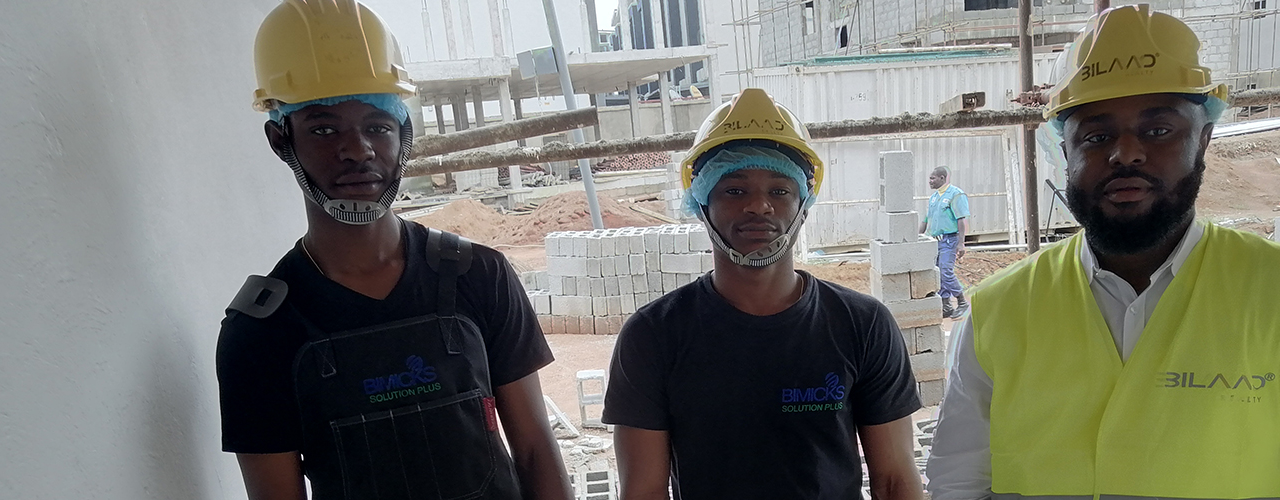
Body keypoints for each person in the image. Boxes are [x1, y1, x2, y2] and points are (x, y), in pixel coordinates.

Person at [925, 5, 1280, 499]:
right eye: (1096, 136)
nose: (1126, 153)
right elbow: (957, 485)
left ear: (1203, 139)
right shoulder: (998, 311)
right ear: (1065, 152)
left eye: (1158, 130)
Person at [215, 1, 572, 499]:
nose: (357, 150)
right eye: (323, 128)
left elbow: (534, 449)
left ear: (404, 133)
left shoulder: (479, 276)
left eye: (377, 126)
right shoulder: (259, 332)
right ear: (280, 140)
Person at [603, 88, 925, 500]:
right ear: (701, 203)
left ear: (804, 204)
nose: (759, 206)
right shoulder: (653, 335)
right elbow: (644, 492)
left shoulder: (862, 324)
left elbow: (895, 481)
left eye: (779, 190)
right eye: (734, 191)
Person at [921, 166, 971, 318]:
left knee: (945, 271)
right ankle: (946, 305)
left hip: (949, 240)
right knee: (938, 273)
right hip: (935, 241)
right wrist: (918, 238)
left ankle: (962, 302)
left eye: (933, 178)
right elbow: (926, 220)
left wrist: (961, 243)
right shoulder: (934, 197)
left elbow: (961, 220)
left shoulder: (956, 195)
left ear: (942, 178)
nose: (930, 181)